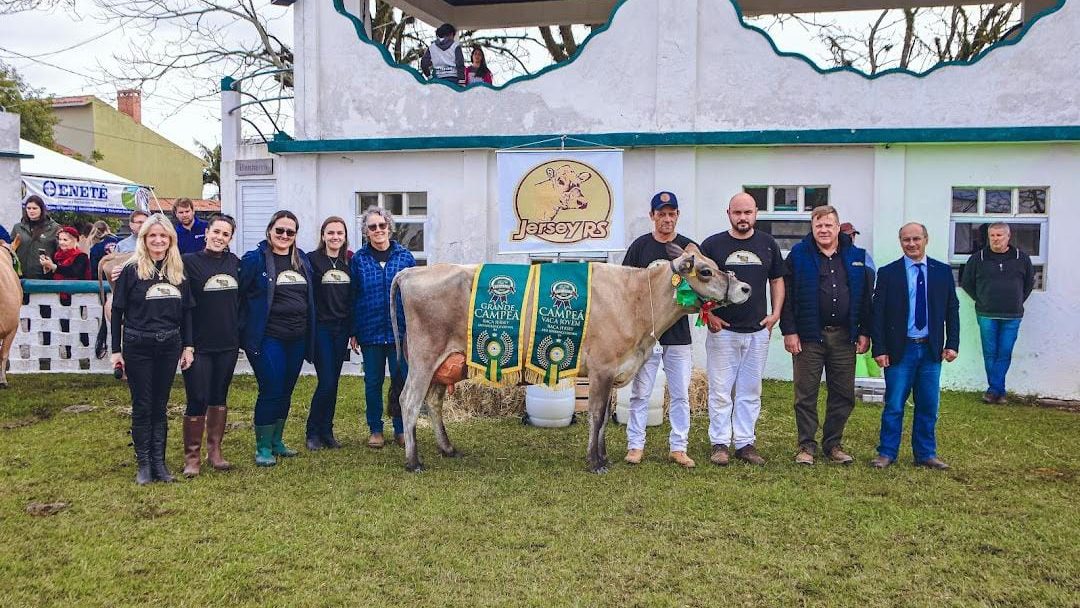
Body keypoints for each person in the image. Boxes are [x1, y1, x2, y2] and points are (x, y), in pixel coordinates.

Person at [780, 205, 872, 466]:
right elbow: (786, 296)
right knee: (805, 394)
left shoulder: (855, 255)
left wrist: (864, 331)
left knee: (843, 393)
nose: (823, 230)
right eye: (818, 225)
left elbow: (865, 297)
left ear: (837, 226)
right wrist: (790, 331)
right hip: (809, 337)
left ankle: (833, 444)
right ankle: (806, 446)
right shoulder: (798, 255)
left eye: (828, 225)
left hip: (844, 337)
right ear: (812, 227)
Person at [699, 193, 785, 466]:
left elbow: (777, 280)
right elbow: (697, 282)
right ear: (729, 214)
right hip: (723, 330)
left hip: (757, 330)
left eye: (747, 212)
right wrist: (708, 313)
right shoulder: (713, 245)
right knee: (721, 390)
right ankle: (720, 443)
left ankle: (745, 443)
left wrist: (776, 314)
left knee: (750, 390)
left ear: (756, 213)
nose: (743, 218)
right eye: (737, 213)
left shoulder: (767, 243)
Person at [110, 214, 194, 485]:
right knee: (142, 404)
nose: (158, 241)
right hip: (138, 344)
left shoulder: (178, 272)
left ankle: (159, 462)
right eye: (152, 236)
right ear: (144, 239)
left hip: (169, 344)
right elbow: (117, 311)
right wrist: (115, 351)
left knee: (161, 404)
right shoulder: (131, 270)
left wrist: (188, 346)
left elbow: (188, 314)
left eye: (163, 236)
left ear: (171, 240)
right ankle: (144, 463)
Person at [870, 223, 959, 470]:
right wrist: (880, 348)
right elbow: (878, 313)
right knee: (895, 404)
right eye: (906, 239)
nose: (911, 244)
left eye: (916, 239)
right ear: (900, 242)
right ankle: (887, 453)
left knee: (929, 405)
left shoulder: (941, 272)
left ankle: (926, 454)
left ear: (926, 239)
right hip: (901, 350)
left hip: (931, 350)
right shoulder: (889, 273)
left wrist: (952, 343)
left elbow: (952, 308)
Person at [621, 191, 697, 468]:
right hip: (648, 334)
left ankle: (679, 447)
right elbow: (626, 287)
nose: (667, 218)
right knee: (641, 391)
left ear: (677, 216)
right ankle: (635, 445)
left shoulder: (689, 249)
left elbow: (703, 284)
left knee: (680, 393)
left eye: (671, 213)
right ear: (652, 216)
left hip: (678, 334)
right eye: (661, 213)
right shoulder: (640, 247)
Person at [239, 210, 316, 467]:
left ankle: (277, 441)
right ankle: (262, 447)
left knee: (286, 389)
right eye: (280, 230)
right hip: (267, 336)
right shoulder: (255, 260)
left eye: (290, 232)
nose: (284, 235)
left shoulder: (302, 260)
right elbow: (238, 295)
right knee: (271, 387)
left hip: (297, 337)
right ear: (270, 230)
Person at [179, 214, 241, 477]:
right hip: (198, 344)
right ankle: (192, 456)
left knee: (219, 396)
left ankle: (214, 451)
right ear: (207, 233)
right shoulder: (189, 263)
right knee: (198, 397)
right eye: (216, 232)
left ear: (230, 239)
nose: (219, 237)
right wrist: (187, 344)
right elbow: (183, 306)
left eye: (225, 234)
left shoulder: (235, 264)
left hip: (227, 343)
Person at [350, 206, 415, 449]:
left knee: (401, 380)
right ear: (366, 232)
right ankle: (375, 429)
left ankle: (400, 428)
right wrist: (354, 330)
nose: (378, 230)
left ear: (389, 227)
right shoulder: (358, 259)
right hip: (370, 330)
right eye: (372, 227)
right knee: (373, 382)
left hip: (400, 332)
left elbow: (413, 295)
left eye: (382, 225)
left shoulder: (405, 257)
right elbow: (353, 296)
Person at [960, 222, 1034, 404]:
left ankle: (994, 390)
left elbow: (1028, 284)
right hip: (986, 314)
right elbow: (967, 283)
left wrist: (1016, 301)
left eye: (999, 235)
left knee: (1005, 352)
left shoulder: (1021, 258)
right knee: (990, 352)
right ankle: (998, 391)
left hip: (1012, 315)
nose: (995, 239)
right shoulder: (978, 259)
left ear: (1008, 237)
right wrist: (982, 300)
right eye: (992, 235)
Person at [306, 217, 353, 450]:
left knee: (333, 382)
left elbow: (354, 296)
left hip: (341, 328)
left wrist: (353, 330)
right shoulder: (311, 260)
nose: (335, 237)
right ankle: (312, 431)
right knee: (326, 381)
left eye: (339, 233)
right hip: (321, 328)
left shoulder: (349, 261)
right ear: (323, 235)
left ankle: (327, 431)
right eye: (330, 233)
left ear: (345, 237)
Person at [11, 195, 60, 279]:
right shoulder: (18, 227)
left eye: (34, 208)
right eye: (28, 208)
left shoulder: (54, 228)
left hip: (45, 278)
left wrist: (53, 265)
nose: (31, 211)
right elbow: (11, 250)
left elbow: (61, 253)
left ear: (42, 209)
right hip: (20, 277)